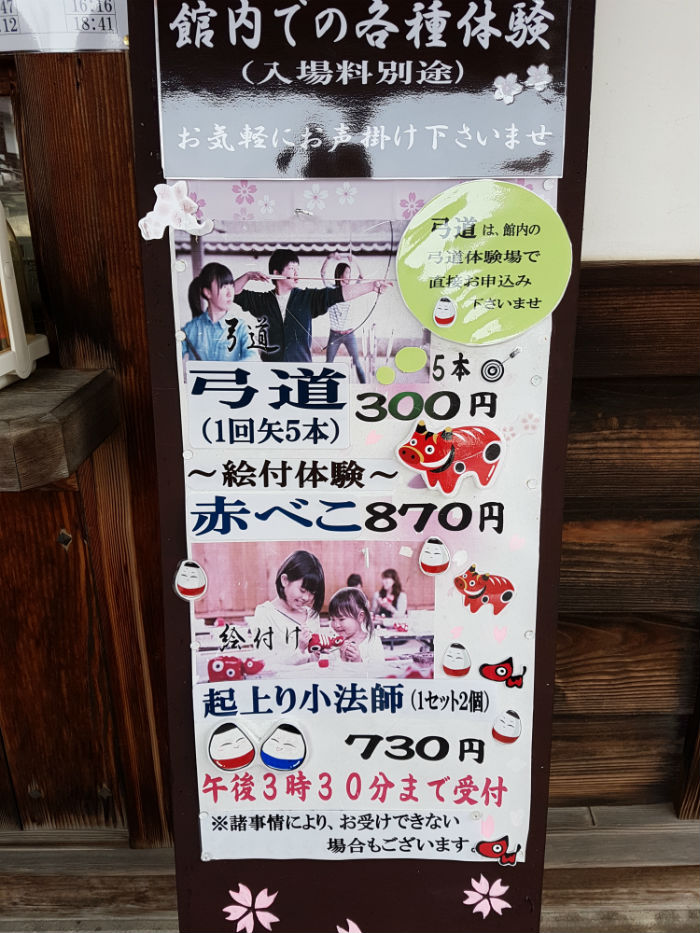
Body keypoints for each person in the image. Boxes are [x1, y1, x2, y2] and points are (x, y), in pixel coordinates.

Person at [232, 248, 391, 363]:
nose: (297, 273)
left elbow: (340, 294)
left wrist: (372, 286)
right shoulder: (262, 300)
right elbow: (232, 292)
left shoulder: (307, 298)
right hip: (271, 371)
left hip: (302, 370)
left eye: (298, 269)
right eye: (292, 269)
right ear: (276, 273)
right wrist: (248, 276)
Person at [251, 551, 324, 665]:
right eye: (302, 590)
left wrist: (319, 654)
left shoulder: (312, 615)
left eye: (312, 593)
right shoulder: (265, 613)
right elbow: (264, 663)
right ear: (284, 580)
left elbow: (314, 662)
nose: (306, 597)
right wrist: (299, 650)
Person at [182, 262, 259, 363]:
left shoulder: (241, 327)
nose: (230, 293)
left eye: (231, 286)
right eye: (223, 287)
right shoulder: (190, 329)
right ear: (207, 292)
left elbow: (253, 357)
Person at [321, 253, 366, 382]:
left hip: (349, 334)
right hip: (334, 334)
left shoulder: (352, 289)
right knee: (328, 363)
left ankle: (366, 387)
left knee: (357, 363)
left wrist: (354, 260)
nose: (349, 276)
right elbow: (323, 273)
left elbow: (362, 276)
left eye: (350, 273)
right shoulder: (330, 289)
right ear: (340, 275)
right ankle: (325, 387)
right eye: (347, 273)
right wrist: (329, 258)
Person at [328, 587, 385, 664]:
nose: (336, 625)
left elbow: (379, 668)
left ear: (360, 616)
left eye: (341, 619)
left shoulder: (373, 641)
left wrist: (358, 661)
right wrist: (342, 659)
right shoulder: (334, 643)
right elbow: (329, 669)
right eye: (332, 619)